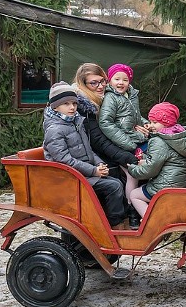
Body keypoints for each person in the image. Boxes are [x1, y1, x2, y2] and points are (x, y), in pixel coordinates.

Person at [42, 82, 126, 227]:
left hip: (82, 173)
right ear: (55, 106)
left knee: (116, 177)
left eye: (74, 103)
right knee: (114, 186)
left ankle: (109, 220)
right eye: (66, 104)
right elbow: (64, 160)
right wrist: (93, 170)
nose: (72, 107)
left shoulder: (74, 122)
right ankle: (113, 225)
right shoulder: (54, 129)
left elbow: (89, 150)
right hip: (69, 178)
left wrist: (99, 164)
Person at [72, 63, 140, 227]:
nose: (100, 86)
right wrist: (124, 154)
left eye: (102, 81)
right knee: (131, 169)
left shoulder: (105, 99)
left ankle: (137, 210)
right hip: (92, 155)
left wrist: (135, 128)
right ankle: (124, 217)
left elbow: (119, 122)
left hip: (108, 147)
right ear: (83, 84)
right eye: (94, 83)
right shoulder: (84, 106)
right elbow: (97, 139)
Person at [98, 63, 149, 227]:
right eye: (117, 79)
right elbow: (106, 123)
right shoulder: (111, 97)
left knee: (148, 165)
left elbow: (136, 119)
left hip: (133, 138)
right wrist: (128, 143)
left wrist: (148, 126)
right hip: (121, 143)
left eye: (125, 79)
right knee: (132, 174)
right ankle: (132, 211)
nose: (121, 83)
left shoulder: (131, 95)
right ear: (110, 80)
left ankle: (143, 201)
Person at [126, 102, 186, 219]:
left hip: (166, 186)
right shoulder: (180, 137)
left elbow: (150, 170)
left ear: (166, 122)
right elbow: (169, 160)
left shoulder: (159, 141)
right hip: (182, 183)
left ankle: (153, 222)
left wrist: (133, 169)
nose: (151, 125)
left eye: (155, 122)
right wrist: (145, 159)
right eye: (150, 121)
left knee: (135, 195)